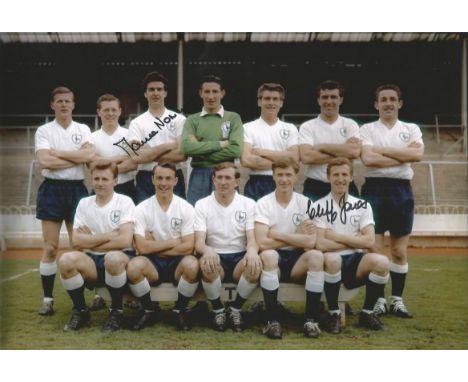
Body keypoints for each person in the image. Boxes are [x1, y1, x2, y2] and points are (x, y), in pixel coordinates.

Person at [360, 84, 424, 319]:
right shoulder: (366, 129)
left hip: (401, 192)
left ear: (400, 103)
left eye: (392, 99)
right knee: (374, 249)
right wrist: (401, 156)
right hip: (374, 191)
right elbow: (367, 158)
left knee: (398, 250)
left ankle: (397, 299)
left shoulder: (411, 128)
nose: (388, 103)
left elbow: (417, 155)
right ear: (376, 104)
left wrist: (382, 152)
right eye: (383, 99)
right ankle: (378, 300)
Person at [35, 86, 94, 316]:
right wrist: (74, 157)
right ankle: (48, 300)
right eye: (59, 101)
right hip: (51, 190)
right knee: (50, 248)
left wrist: (57, 153)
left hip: (76, 189)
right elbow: (44, 162)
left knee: (78, 245)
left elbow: (88, 156)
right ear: (53, 105)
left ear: (73, 104)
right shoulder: (43, 130)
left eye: (67, 101)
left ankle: (85, 298)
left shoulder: (83, 128)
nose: (63, 105)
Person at [313, 157, 390, 333]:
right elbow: (320, 243)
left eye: (344, 174)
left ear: (351, 177)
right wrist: (353, 240)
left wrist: (337, 236)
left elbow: (369, 241)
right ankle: (333, 314)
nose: (340, 179)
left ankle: (367, 313)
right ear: (328, 177)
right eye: (335, 174)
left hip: (356, 261)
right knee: (332, 260)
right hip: (331, 262)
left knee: (382, 262)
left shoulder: (362, 205)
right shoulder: (318, 206)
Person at [58, 160, 135, 332]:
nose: (100, 183)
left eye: (105, 179)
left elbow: (124, 241)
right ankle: (81, 311)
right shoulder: (84, 203)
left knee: (113, 257)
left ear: (115, 180)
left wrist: (91, 240)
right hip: (92, 261)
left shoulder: (125, 202)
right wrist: (109, 235)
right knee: (66, 260)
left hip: (119, 260)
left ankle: (116, 312)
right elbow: (76, 241)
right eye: (96, 179)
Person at [255, 158, 323, 339]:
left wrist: (277, 234)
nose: (284, 179)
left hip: (296, 262)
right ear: (273, 176)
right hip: (274, 262)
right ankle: (272, 321)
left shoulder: (305, 202)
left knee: (316, 256)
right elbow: (262, 242)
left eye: (288, 175)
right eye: (279, 175)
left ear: (296, 176)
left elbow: (310, 242)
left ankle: (311, 320)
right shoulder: (263, 203)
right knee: (268, 254)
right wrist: (296, 236)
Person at [127, 162, 198, 331]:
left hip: (178, 263)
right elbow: (142, 248)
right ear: (152, 180)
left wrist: (154, 245)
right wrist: (174, 241)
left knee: (192, 264)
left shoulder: (186, 208)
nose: (163, 183)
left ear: (175, 180)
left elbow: (188, 247)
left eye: (168, 178)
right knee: (134, 267)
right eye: (159, 178)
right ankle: (148, 309)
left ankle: (179, 310)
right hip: (152, 263)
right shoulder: (141, 209)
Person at [194, 162, 262, 332]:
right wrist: (208, 250)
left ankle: (235, 308)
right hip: (215, 256)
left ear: (236, 181)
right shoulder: (202, 204)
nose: (223, 182)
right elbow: (199, 243)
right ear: (213, 180)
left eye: (228, 178)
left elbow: (252, 239)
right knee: (206, 265)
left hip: (239, 257)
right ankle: (218, 310)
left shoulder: (248, 204)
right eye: (220, 178)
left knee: (255, 265)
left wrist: (252, 251)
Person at [88, 94, 138, 311]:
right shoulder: (91, 138)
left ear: (120, 111)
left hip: (127, 188)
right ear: (98, 112)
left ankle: (132, 292)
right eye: (105, 109)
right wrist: (118, 161)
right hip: (99, 190)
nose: (109, 113)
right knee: (98, 240)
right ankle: (101, 292)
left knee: (130, 242)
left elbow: (134, 162)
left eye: (113, 109)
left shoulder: (129, 135)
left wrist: (105, 163)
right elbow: (91, 165)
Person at [182, 75, 243, 205]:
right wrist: (219, 144)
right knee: (196, 215)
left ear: (222, 93)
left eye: (215, 91)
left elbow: (236, 150)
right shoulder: (192, 120)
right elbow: (186, 148)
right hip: (199, 175)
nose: (211, 96)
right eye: (207, 92)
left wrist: (199, 148)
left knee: (228, 215)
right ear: (200, 93)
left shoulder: (233, 118)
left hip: (226, 173)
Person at [127, 71, 187, 203]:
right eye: (151, 89)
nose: (155, 93)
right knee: (144, 221)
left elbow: (182, 154)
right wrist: (168, 146)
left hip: (173, 174)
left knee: (175, 220)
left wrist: (148, 153)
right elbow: (137, 156)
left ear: (165, 93)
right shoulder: (136, 123)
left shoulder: (179, 120)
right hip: (146, 178)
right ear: (145, 93)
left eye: (159, 89)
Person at [299, 80, 361, 201]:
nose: (329, 101)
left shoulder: (350, 124)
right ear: (318, 100)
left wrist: (322, 147)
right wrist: (343, 152)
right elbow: (307, 157)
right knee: (313, 220)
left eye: (333, 97)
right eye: (324, 97)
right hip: (315, 186)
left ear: (340, 99)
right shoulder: (307, 126)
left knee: (349, 220)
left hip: (345, 185)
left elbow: (354, 152)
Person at [241, 83, 299, 201]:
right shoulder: (247, 128)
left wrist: (261, 152)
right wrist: (283, 160)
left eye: (275, 99)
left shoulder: (290, 128)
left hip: (283, 181)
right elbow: (246, 160)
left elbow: (294, 158)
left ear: (281, 103)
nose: (271, 102)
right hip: (256, 182)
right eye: (267, 98)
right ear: (259, 102)